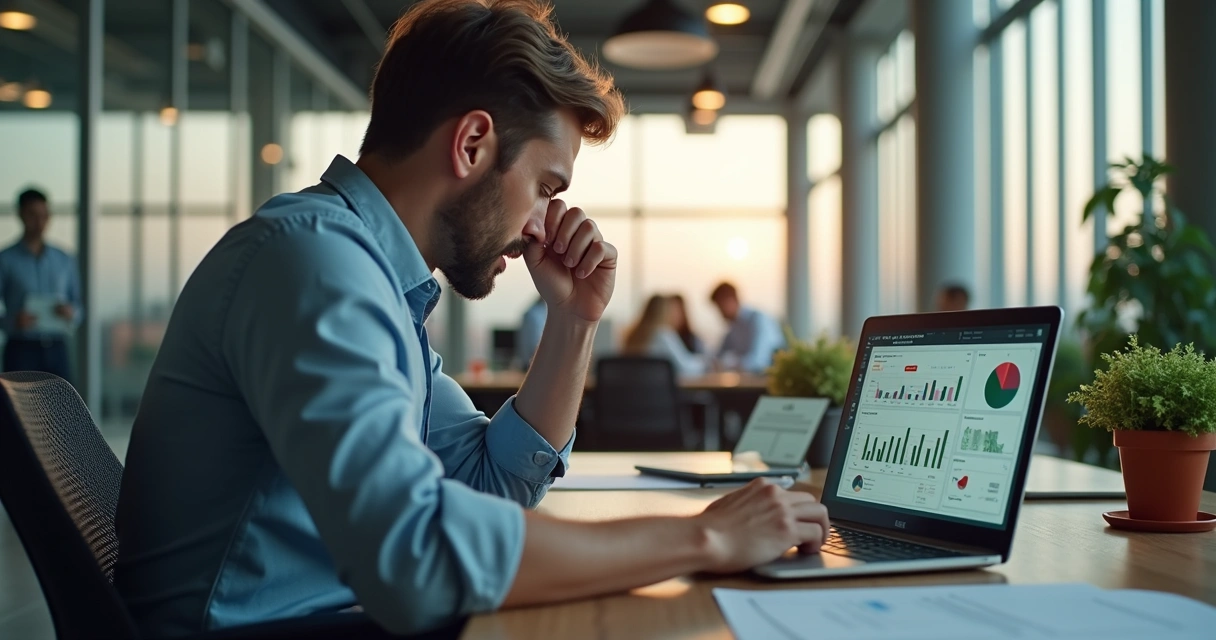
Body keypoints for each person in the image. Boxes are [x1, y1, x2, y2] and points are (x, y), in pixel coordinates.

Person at [113, 2, 829, 638]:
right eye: (546, 186)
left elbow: (490, 480)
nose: (543, 224)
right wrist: (702, 541)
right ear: (472, 145)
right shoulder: (313, 263)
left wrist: (573, 320)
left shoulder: (373, 280)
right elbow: (416, 558)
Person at [0, 188, 80, 382]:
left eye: (44, 215)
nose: (39, 222)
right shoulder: (6, 260)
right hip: (21, 348)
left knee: (61, 408)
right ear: (20, 215)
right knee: (17, 411)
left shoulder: (64, 259)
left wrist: (71, 313)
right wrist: (11, 321)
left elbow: (79, 305)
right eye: (32, 215)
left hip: (57, 346)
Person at [622, 294, 707, 376]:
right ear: (665, 312)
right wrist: (705, 362)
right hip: (657, 389)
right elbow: (685, 368)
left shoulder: (632, 336)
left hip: (632, 389)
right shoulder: (664, 335)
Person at [709, 282, 785, 374]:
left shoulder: (758, 320)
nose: (719, 313)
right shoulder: (733, 327)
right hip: (748, 382)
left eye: (720, 307)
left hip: (766, 382)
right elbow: (718, 356)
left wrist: (729, 363)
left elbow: (757, 363)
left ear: (730, 300)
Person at [515, 297, 546, 369]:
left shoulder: (531, 313)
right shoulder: (536, 315)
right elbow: (535, 343)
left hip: (530, 361)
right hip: (535, 363)